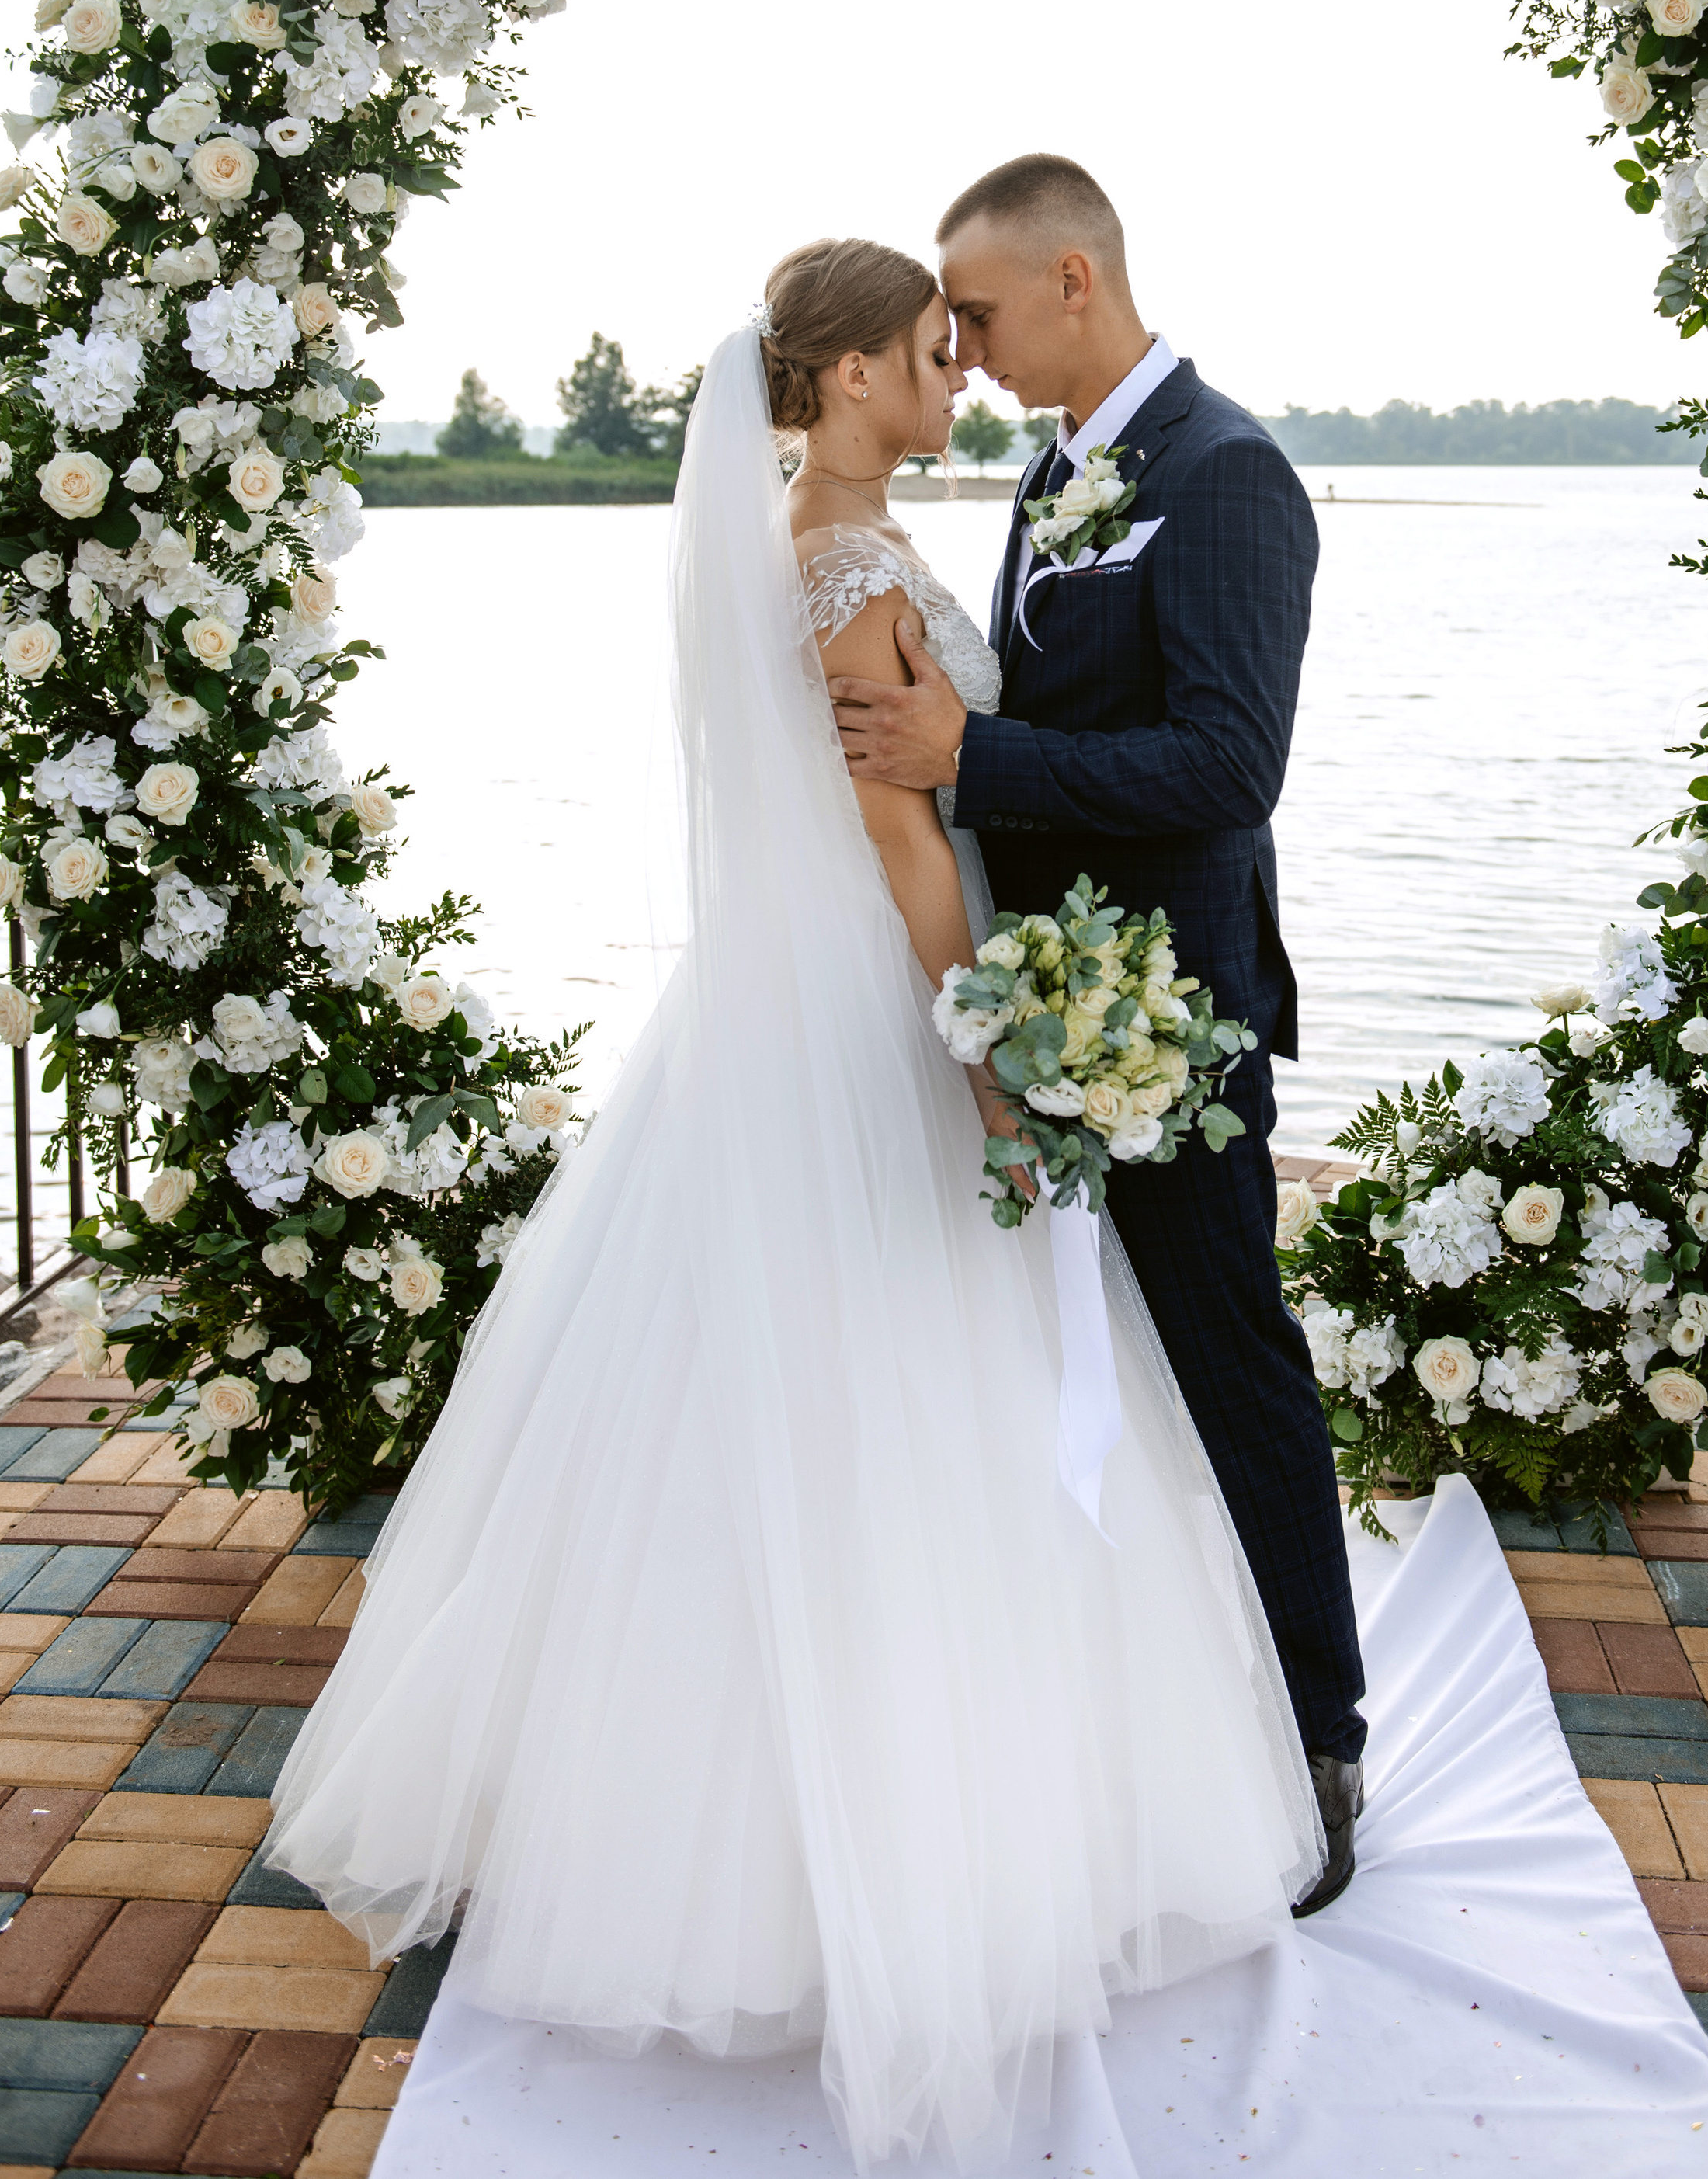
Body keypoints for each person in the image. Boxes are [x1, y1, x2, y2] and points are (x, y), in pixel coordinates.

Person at [262, 237, 1319, 2176]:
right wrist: (983, 1043)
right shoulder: (845, 565)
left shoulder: (804, 538)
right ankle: (888, 1845)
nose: (955, 376)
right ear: (839, 381)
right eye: (930, 350)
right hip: (873, 1002)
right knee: (907, 1389)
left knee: (783, 1390)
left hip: (780, 998)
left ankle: (705, 1801)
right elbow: (904, 832)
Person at [826, 157, 1367, 1906]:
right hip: (1047, 1000)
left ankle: (1317, 1740)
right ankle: (1151, 1713)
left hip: (1173, 1017)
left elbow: (1227, 767)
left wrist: (968, 765)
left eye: (973, 313)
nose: (959, 352)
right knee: (1099, 1371)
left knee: (1228, 1356)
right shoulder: (1060, 469)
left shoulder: (1222, 478)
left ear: (1073, 277)